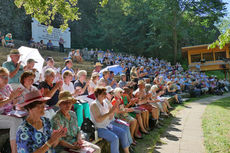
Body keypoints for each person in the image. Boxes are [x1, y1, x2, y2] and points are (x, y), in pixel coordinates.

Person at [90, 87, 131, 153]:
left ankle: (127, 152)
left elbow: (110, 117)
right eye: (103, 93)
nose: (105, 95)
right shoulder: (94, 104)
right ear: (98, 94)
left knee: (123, 132)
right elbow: (98, 120)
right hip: (100, 128)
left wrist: (114, 107)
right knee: (115, 138)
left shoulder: (105, 102)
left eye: (105, 93)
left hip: (108, 125)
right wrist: (109, 112)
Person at [0, 67, 23, 153]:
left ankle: (19, 148)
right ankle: (15, 150)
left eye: (7, 77)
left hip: (8, 114)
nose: (6, 79)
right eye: (3, 77)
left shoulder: (8, 87)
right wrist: (10, 99)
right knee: (15, 121)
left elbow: (12, 103)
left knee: (20, 119)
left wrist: (15, 99)